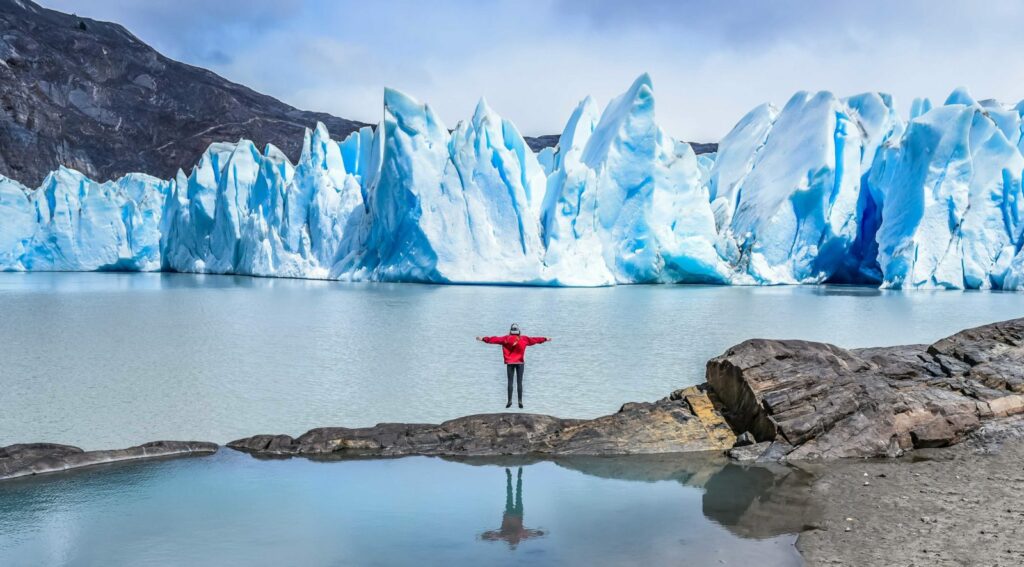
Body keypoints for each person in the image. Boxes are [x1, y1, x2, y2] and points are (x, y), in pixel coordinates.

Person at [476, 323, 550, 409]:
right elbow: (535, 340)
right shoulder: (524, 339)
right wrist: (545, 339)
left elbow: (494, 339)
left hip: (510, 363)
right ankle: (520, 401)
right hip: (520, 363)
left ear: (510, 332)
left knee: (510, 382)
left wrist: (483, 339)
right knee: (519, 382)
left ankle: (509, 401)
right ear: (519, 332)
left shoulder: (506, 338)